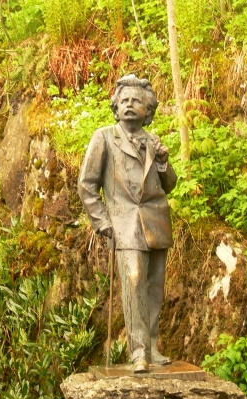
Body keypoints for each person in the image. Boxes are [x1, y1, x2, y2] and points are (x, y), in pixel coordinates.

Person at [78, 74, 177, 373]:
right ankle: (138, 352)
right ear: (116, 108)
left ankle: (152, 347)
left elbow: (169, 185)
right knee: (133, 281)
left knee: (154, 288)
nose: (130, 105)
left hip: (156, 222)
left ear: (148, 110)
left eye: (136, 101)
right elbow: (87, 185)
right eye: (124, 101)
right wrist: (102, 222)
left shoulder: (153, 142)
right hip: (123, 224)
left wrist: (163, 161)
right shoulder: (104, 137)